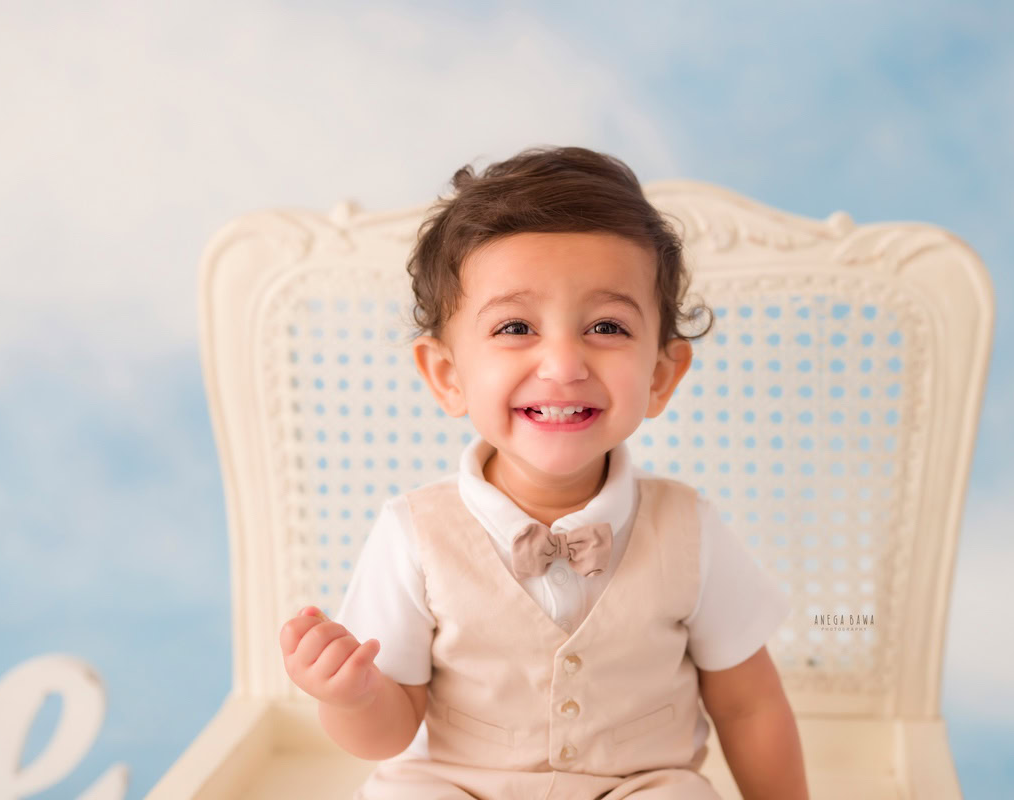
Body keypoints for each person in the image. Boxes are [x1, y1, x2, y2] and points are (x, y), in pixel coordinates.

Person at [279, 145, 808, 799]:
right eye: (516, 326)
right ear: (447, 376)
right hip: (457, 784)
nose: (562, 363)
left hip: (635, 784)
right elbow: (385, 737)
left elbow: (749, 705)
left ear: (661, 376)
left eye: (607, 326)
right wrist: (354, 697)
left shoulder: (689, 528)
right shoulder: (414, 533)